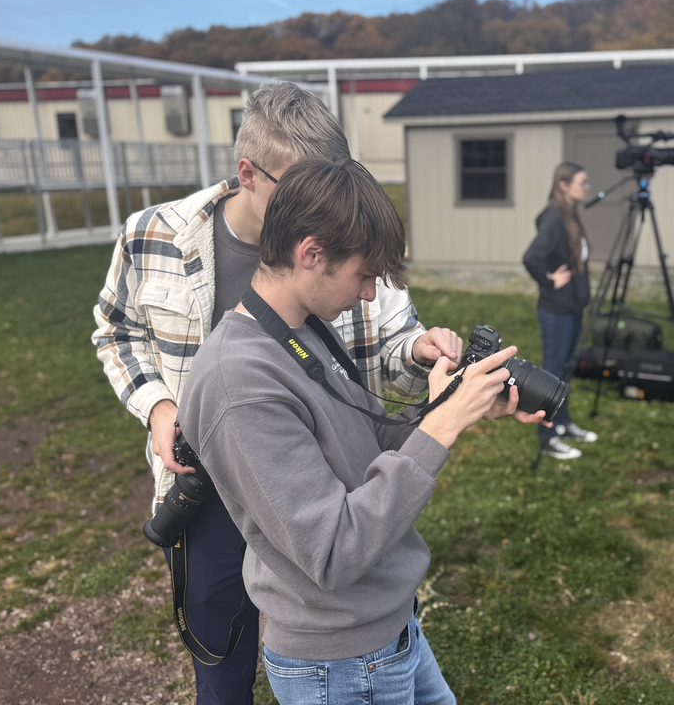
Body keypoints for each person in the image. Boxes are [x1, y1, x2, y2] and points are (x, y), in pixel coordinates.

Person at [92, 82, 461, 705]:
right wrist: (157, 405)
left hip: (311, 473)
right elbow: (116, 329)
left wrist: (423, 359)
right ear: (248, 174)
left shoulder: (339, 244)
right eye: (303, 190)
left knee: (321, 613)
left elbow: (388, 341)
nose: (323, 204)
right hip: (206, 487)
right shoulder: (153, 235)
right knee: (221, 648)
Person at [177, 156, 546, 704]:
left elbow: (361, 452)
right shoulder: (239, 382)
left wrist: (443, 408)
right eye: (365, 275)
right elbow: (333, 550)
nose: (372, 294)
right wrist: (440, 427)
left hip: (387, 630)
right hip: (339, 663)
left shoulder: (302, 332)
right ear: (311, 254)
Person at [522, 161, 600, 460]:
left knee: (565, 370)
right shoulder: (554, 219)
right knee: (552, 375)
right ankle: (547, 437)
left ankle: (564, 424)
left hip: (572, 308)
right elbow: (531, 257)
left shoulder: (569, 215)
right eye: (582, 182)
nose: (587, 187)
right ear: (564, 185)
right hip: (557, 310)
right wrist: (549, 279)